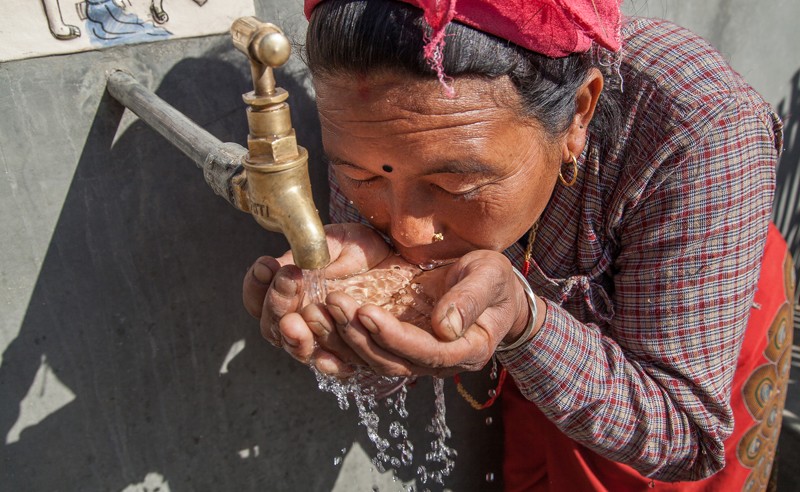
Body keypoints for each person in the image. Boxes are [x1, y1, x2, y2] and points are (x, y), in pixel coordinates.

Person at [241, 0, 795, 489]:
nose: (406, 232)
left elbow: (685, 436)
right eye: (361, 178)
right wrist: (354, 325)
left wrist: (527, 322)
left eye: (454, 186)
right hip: (538, 344)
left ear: (578, 115)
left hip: (681, 321)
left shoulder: (700, 127)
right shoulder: (377, 118)